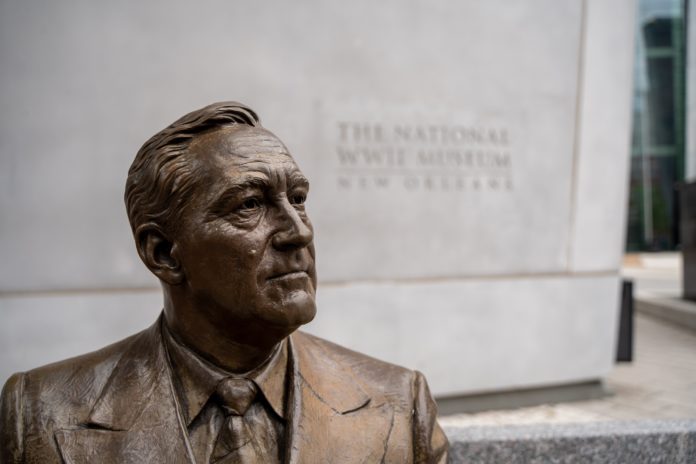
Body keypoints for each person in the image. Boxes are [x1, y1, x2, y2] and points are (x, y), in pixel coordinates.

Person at [0, 102, 448, 463]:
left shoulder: (398, 405)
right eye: (249, 204)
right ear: (162, 252)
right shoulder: (40, 412)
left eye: (298, 199)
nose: (299, 232)